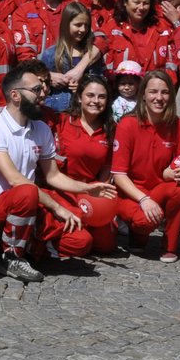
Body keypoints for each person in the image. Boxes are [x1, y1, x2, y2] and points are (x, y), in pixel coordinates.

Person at [0, 61, 107, 281]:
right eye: (36, 90)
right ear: (16, 95)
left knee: (81, 242)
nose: (43, 95)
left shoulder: (41, 128)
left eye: (42, 89)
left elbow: (53, 175)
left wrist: (86, 188)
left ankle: (27, 246)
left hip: (30, 206)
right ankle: (13, 257)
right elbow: (15, 179)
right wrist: (57, 208)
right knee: (26, 191)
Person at [112, 70, 180, 262]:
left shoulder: (179, 126)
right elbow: (119, 174)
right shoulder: (127, 124)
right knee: (143, 222)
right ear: (143, 95)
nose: (159, 98)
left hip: (162, 189)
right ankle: (138, 234)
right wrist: (143, 200)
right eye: (153, 92)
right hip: (133, 193)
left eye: (165, 92)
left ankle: (170, 244)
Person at [47, 77, 121, 254]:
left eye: (102, 97)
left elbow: (106, 168)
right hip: (62, 189)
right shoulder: (62, 121)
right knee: (82, 243)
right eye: (90, 95)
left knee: (106, 246)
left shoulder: (110, 128)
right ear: (79, 97)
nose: (96, 101)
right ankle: (43, 244)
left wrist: (98, 195)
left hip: (91, 192)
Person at [40, 1, 102, 113]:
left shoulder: (91, 54)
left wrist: (83, 86)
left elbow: (100, 82)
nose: (83, 29)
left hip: (85, 113)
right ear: (66, 25)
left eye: (86, 25)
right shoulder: (51, 54)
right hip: (58, 111)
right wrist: (48, 78)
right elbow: (39, 82)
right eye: (78, 25)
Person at [107, 0, 175, 77]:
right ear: (125, 2)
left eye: (146, 3)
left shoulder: (163, 29)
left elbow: (172, 66)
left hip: (155, 89)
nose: (141, 7)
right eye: (136, 2)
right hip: (123, 89)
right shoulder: (113, 28)